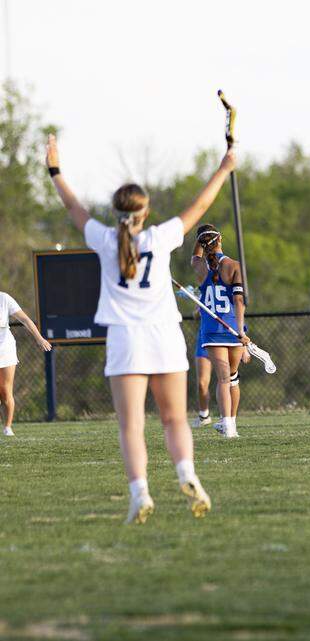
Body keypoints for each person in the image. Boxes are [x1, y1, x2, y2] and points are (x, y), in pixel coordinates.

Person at [47, 133, 234, 524]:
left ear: (117, 212)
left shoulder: (103, 238)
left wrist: (55, 169)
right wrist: (224, 166)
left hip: (125, 338)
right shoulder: (160, 236)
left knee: (131, 425)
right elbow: (201, 205)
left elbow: (72, 205)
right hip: (163, 334)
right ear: (145, 212)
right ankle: (187, 475)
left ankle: (141, 493)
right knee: (175, 420)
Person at [191, 224, 249, 438]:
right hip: (233, 329)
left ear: (202, 244)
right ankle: (230, 424)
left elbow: (195, 254)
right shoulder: (234, 265)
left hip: (211, 331)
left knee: (224, 379)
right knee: (232, 378)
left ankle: (228, 426)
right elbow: (239, 301)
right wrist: (241, 331)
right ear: (220, 240)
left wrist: (200, 240)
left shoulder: (198, 266)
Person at [0, 292, 53, 435]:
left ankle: (7, 427)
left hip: (5, 349)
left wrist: (39, 339)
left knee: (5, 391)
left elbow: (25, 320)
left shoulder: (4, 298)